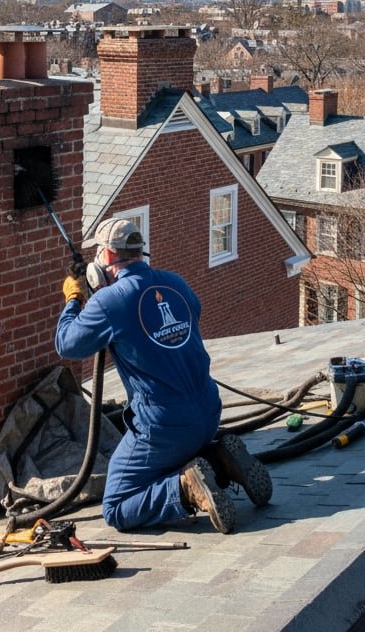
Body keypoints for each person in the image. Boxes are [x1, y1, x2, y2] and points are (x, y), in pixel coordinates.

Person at [55, 217, 271, 534]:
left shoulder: (108, 301)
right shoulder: (176, 283)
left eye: (99, 251)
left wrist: (73, 300)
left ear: (110, 256)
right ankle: (220, 459)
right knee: (172, 455)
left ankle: (184, 489)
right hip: (209, 412)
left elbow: (67, 344)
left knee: (116, 507)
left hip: (163, 426)